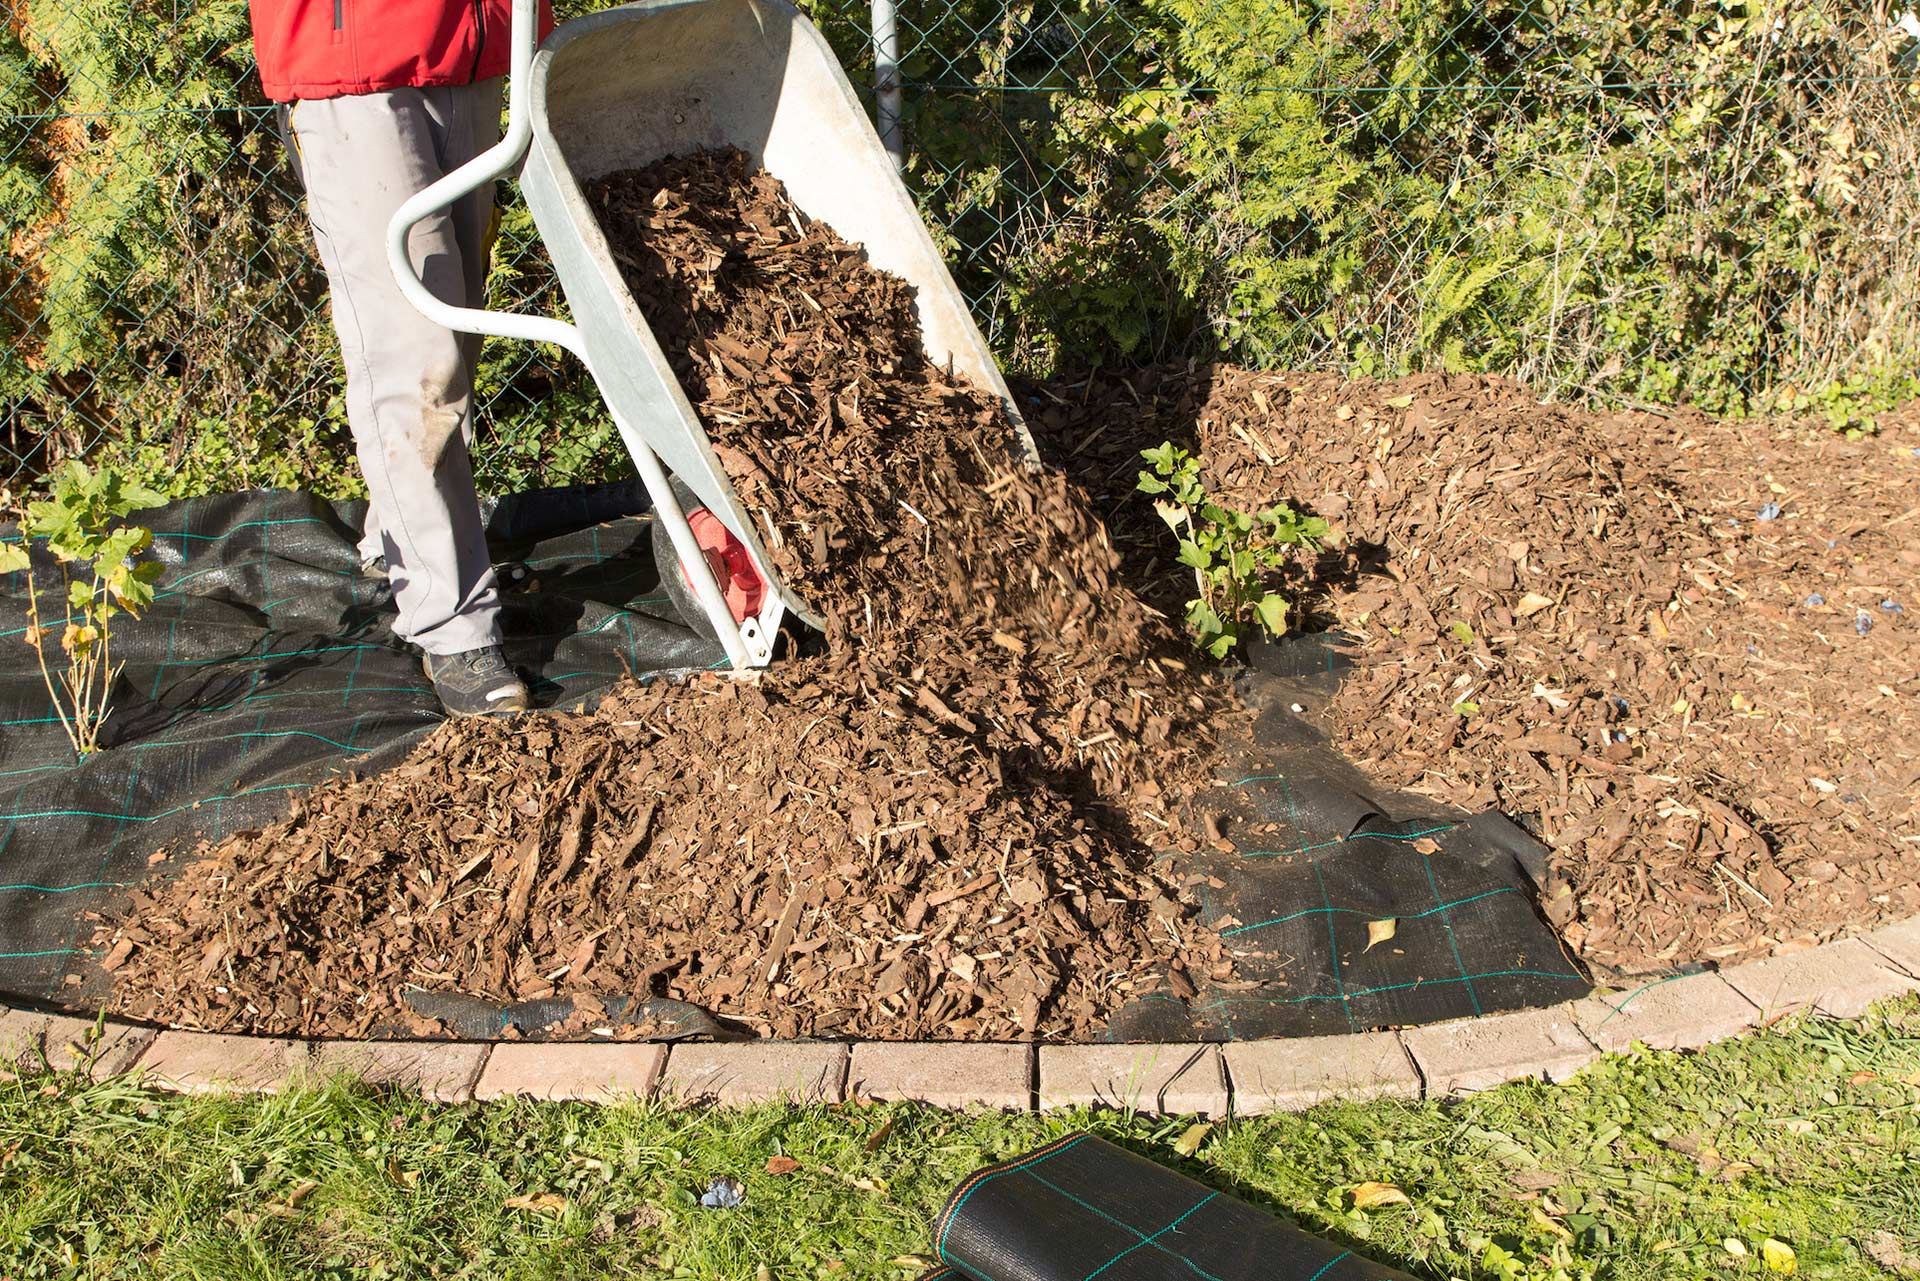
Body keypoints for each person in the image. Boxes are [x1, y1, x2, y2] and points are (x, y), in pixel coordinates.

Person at [248, 0, 555, 716]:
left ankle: (403, 537)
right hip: (356, 69)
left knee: (456, 331)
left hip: (474, 51)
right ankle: (452, 625)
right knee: (416, 355)